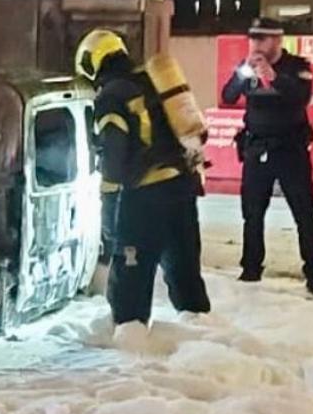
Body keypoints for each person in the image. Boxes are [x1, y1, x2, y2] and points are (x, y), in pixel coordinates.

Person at [75, 29, 211, 323]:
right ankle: (201, 337)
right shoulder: (151, 81)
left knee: (131, 276)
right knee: (184, 270)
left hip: (145, 197)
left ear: (93, 63)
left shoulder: (111, 96)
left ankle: (130, 339)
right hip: (182, 186)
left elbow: (114, 160)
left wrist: (110, 203)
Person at [221, 17, 313, 294]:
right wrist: (245, 71)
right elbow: (228, 96)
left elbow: (301, 97)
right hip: (257, 149)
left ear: (276, 41)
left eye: (261, 39)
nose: (255, 44)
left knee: (303, 213)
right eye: (252, 39)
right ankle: (251, 269)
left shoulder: (297, 67)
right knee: (252, 213)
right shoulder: (248, 68)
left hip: (290, 149)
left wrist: (274, 76)